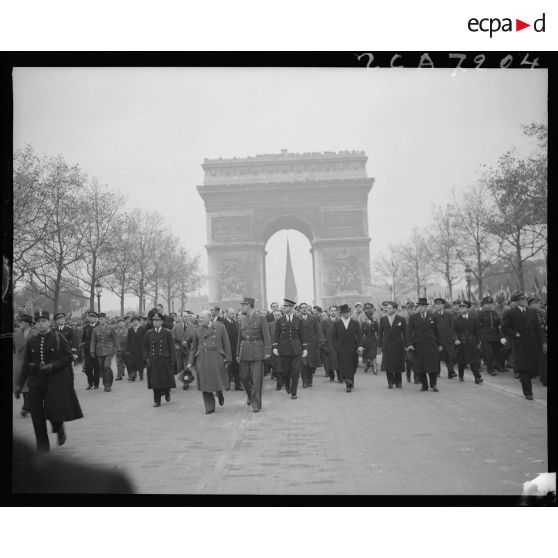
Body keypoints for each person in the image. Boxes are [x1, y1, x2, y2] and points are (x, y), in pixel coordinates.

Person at [13, 311, 83, 452]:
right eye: (38, 322)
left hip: (55, 381)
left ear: (49, 323)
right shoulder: (32, 341)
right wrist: (19, 385)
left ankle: (59, 428)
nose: (41, 324)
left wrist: (53, 366)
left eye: (44, 321)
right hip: (36, 382)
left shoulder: (58, 337)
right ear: (35, 324)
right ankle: (42, 447)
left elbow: (69, 357)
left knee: (54, 411)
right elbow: (26, 364)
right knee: (37, 415)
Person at [501, 292, 545, 400]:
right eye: (522, 299)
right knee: (523, 369)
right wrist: (514, 333)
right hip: (519, 344)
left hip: (532, 344)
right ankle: (528, 393)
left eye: (525, 299)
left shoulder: (532, 312)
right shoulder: (510, 312)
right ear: (517, 301)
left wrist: (543, 342)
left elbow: (538, 329)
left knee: (532, 368)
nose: (525, 301)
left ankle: (524, 380)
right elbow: (504, 327)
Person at [187, 310, 231, 414]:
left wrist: (228, 358)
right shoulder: (197, 329)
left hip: (217, 358)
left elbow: (227, 343)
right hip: (203, 359)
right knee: (205, 383)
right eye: (199, 318)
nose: (200, 320)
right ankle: (209, 407)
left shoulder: (220, 327)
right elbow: (193, 347)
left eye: (202, 318)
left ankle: (219, 392)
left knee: (217, 381)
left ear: (210, 317)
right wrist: (190, 361)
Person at [236, 297, 271, 412]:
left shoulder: (261, 318)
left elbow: (266, 335)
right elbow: (239, 338)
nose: (241, 307)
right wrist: (237, 353)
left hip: (257, 350)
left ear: (249, 305)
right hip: (244, 350)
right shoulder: (242, 319)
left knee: (257, 379)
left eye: (243, 305)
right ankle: (251, 395)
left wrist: (267, 351)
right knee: (243, 377)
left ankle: (256, 403)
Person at [272, 298, 307, 399]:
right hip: (284, 349)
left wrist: (304, 348)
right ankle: (287, 384)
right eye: (284, 306)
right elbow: (276, 334)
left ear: (291, 308)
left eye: (286, 306)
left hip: (296, 349)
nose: (284, 308)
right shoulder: (280, 320)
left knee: (296, 371)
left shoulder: (298, 320)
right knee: (286, 371)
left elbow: (302, 335)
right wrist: (275, 346)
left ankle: (294, 392)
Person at [406, 297, 442, 392]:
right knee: (419, 366)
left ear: (427, 307)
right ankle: (424, 385)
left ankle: (433, 384)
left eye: (424, 306)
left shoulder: (433, 317)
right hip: (418, 345)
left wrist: (440, 344)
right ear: (418, 307)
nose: (422, 308)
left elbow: (437, 332)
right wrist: (409, 344)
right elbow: (409, 333)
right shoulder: (413, 318)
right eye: (420, 306)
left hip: (431, 345)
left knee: (432, 366)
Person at [142, 312, 176, 407]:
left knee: (165, 379)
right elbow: (144, 347)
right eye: (154, 320)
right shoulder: (148, 333)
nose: (155, 322)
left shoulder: (167, 333)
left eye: (157, 320)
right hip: (153, 360)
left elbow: (171, 347)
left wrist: (172, 360)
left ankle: (166, 391)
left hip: (164, 359)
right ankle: (157, 400)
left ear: (161, 322)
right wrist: (146, 358)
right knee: (154, 381)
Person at [332, 304, 364, 393]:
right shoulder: (337, 324)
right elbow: (333, 337)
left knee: (353, 365)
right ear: (341, 314)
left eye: (348, 312)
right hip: (341, 349)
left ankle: (350, 379)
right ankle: (348, 383)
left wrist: (360, 346)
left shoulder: (355, 323)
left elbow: (360, 336)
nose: (346, 314)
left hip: (353, 348)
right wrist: (336, 347)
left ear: (349, 312)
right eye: (344, 313)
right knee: (345, 366)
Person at [452, 300, 484, 384]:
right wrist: (455, 339)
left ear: (468, 308)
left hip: (471, 342)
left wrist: (478, 341)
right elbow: (453, 331)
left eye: (463, 307)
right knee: (461, 361)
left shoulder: (473, 318)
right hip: (461, 342)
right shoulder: (456, 319)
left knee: (473, 361)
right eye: (460, 307)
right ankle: (461, 376)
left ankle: (477, 377)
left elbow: (477, 331)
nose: (461, 309)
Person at [378, 302, 407, 388]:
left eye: (390, 308)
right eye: (387, 308)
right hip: (387, 344)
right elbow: (380, 333)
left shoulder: (401, 319)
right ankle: (390, 382)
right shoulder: (383, 319)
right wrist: (379, 344)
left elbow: (405, 333)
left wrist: (406, 345)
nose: (387, 309)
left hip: (398, 344)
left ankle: (398, 382)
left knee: (398, 363)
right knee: (388, 363)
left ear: (395, 309)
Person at [90, 312, 120, 392]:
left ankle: (107, 385)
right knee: (102, 369)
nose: (100, 320)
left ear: (105, 319)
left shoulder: (110, 328)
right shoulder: (95, 329)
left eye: (102, 319)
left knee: (106, 366)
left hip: (109, 351)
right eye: (99, 319)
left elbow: (116, 339)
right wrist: (92, 351)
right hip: (99, 351)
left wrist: (118, 349)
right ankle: (107, 382)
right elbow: (93, 341)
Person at [13, 313, 36, 417]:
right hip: (19, 363)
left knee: (30, 386)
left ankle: (26, 407)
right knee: (23, 387)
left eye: (21, 322)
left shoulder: (35, 334)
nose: (19, 324)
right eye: (19, 322)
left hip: (32, 363)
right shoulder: (16, 335)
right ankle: (28, 405)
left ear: (28, 323)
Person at [298, 302, 324, 388]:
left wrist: (320, 340)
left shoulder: (313, 318)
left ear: (308, 309)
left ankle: (310, 381)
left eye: (305, 307)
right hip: (301, 344)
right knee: (303, 364)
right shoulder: (296, 318)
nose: (304, 309)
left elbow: (318, 329)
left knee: (310, 364)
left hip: (312, 344)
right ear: (300, 309)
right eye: (302, 308)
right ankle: (304, 381)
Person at [478, 296, 503, 375]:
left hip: (495, 336)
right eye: (487, 304)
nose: (489, 305)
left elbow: (498, 324)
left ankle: (495, 365)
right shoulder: (481, 313)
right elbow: (477, 326)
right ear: (484, 304)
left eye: (490, 303)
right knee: (489, 353)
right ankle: (490, 369)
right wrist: (479, 337)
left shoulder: (494, 313)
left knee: (496, 352)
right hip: (485, 336)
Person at [432, 298, 457, 379]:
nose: (438, 306)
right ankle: (436, 372)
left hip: (447, 339)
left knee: (448, 356)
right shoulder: (433, 315)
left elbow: (452, 327)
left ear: (443, 305)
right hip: (437, 339)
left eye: (439, 304)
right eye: (436, 304)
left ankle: (451, 372)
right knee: (437, 357)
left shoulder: (448, 315)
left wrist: (453, 338)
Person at [173, 313, 195, 389]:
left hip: (188, 349)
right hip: (179, 349)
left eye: (187, 316)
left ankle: (186, 382)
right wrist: (179, 343)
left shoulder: (192, 326)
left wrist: (188, 343)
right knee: (181, 366)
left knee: (187, 366)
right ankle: (184, 379)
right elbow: (172, 336)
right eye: (184, 316)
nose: (186, 318)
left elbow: (195, 338)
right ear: (181, 317)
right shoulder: (176, 327)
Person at [528, 296, 547, 386]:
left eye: (539, 303)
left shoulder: (542, 313)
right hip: (531, 338)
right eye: (537, 303)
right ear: (531, 304)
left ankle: (539, 373)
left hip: (540, 337)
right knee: (531, 355)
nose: (539, 305)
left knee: (541, 356)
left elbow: (543, 325)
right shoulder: (527, 313)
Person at [222, 308, 242, 391]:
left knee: (237, 367)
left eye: (234, 313)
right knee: (228, 367)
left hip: (236, 348)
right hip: (227, 348)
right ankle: (227, 385)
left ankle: (238, 385)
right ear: (226, 313)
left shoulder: (237, 323)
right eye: (231, 313)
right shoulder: (223, 323)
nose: (233, 315)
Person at [81, 311, 100, 389]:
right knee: (88, 368)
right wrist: (83, 345)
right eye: (90, 317)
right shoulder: (86, 327)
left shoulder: (99, 327)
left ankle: (96, 384)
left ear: (96, 318)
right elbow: (83, 339)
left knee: (96, 368)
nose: (91, 318)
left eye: (93, 317)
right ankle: (90, 382)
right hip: (87, 350)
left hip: (97, 350)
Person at [321, 305, 340, 382]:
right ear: (329, 312)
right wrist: (324, 342)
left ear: (337, 312)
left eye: (334, 310)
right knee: (329, 361)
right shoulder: (325, 322)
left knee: (338, 360)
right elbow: (322, 332)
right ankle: (331, 376)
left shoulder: (339, 321)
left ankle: (339, 376)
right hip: (328, 343)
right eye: (331, 310)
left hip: (337, 344)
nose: (333, 312)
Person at [361, 302, 379, 374]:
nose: (369, 316)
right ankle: (366, 366)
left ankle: (374, 368)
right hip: (365, 340)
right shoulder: (363, 323)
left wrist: (378, 340)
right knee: (366, 354)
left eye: (370, 315)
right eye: (367, 315)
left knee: (373, 354)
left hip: (373, 340)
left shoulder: (375, 322)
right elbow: (361, 332)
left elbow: (378, 331)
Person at [127, 315, 146, 381]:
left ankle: (141, 374)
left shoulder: (142, 329)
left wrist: (144, 349)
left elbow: (145, 340)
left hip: (140, 349)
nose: (135, 322)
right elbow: (128, 340)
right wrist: (128, 349)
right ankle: (133, 376)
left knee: (140, 362)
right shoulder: (130, 330)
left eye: (136, 321)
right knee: (132, 363)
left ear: (139, 322)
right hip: (132, 349)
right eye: (133, 321)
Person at [268, 310, 283, 388]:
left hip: (284, 348)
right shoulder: (270, 325)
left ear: (281, 315)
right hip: (274, 347)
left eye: (279, 315)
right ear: (274, 316)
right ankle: (279, 382)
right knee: (275, 365)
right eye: (276, 315)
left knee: (284, 365)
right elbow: (268, 336)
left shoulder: (285, 323)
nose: (277, 316)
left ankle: (284, 381)